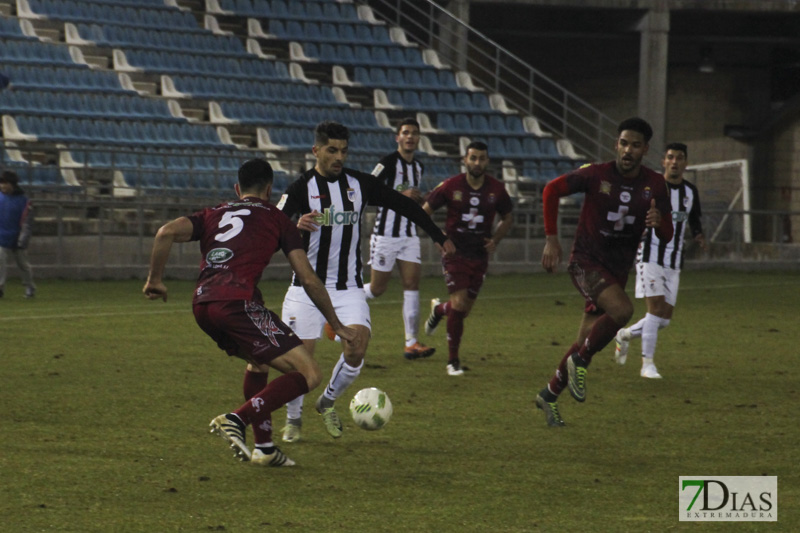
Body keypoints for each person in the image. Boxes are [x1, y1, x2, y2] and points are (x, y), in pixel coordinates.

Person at [143, 158, 361, 467]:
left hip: (203, 305)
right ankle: (237, 418)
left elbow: (165, 232)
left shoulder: (213, 213)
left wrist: (155, 280)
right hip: (238, 304)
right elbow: (309, 278)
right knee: (309, 373)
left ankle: (265, 448)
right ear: (270, 190)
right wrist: (337, 324)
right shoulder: (278, 218)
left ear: (237, 189)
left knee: (258, 363)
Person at [278, 120, 454, 443]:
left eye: (343, 151)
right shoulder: (300, 188)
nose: (338, 157)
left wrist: (438, 236)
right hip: (305, 288)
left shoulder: (359, 185)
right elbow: (271, 226)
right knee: (300, 361)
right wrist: (293, 225)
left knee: (357, 349)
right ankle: (293, 420)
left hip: (347, 288)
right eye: (331, 150)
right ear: (316, 151)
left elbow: (405, 205)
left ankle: (327, 402)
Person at [535, 117, 673, 427]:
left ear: (645, 149)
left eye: (635, 145)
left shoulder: (655, 184)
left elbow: (667, 232)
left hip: (615, 271)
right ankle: (580, 362)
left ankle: (549, 394)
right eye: (624, 143)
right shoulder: (596, 174)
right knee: (623, 310)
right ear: (616, 145)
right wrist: (551, 240)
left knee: (586, 338)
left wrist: (658, 220)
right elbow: (550, 190)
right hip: (585, 261)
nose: (628, 150)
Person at [614, 142, 706, 378]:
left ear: (685, 163)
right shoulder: (651, 187)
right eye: (670, 157)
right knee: (655, 310)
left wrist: (698, 234)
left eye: (679, 158)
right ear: (664, 161)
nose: (675, 162)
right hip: (650, 255)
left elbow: (693, 219)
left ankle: (625, 335)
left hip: (674, 260)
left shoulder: (690, 192)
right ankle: (647, 364)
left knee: (663, 320)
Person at [422, 141, 513, 376]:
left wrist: (496, 239)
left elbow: (509, 217)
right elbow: (424, 212)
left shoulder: (497, 189)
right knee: (460, 304)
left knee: (461, 311)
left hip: (479, 255)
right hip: (455, 253)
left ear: (487, 161)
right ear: (465, 160)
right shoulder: (451, 186)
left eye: (482, 158)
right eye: (473, 158)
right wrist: (439, 237)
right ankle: (453, 361)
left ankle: (440, 310)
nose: (477, 163)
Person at [364, 117, 435, 360]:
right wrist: (398, 194)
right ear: (398, 137)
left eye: (415, 133)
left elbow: (410, 198)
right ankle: (336, 305)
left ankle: (411, 343)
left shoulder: (418, 167)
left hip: (408, 235)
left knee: (412, 285)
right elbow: (367, 191)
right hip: (385, 235)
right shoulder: (386, 163)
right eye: (406, 132)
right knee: (377, 289)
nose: (410, 137)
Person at [0, 170, 36, 299]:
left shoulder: (24, 201)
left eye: (5, 183)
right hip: (1, 236)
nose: (3, 186)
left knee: (23, 265)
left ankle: (29, 286)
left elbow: (27, 222)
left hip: (17, 237)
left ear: (13, 184)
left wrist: (23, 240)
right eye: (1, 183)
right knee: (0, 260)